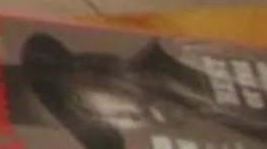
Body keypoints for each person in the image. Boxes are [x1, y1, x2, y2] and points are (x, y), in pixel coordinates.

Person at [21, 31, 267, 149]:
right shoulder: (186, 123)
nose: (134, 118)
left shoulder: (184, 54)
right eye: (112, 120)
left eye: (128, 111)